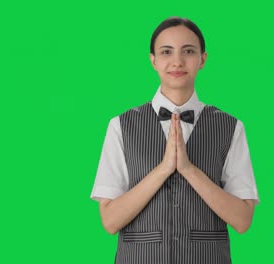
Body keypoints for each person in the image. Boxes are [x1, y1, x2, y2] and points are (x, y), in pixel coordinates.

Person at [90, 16, 260, 264]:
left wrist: (189, 170)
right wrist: (164, 169)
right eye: (166, 52)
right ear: (153, 60)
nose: (177, 61)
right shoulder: (120, 126)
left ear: (202, 59)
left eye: (188, 51)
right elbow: (110, 220)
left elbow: (243, 220)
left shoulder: (230, 127)